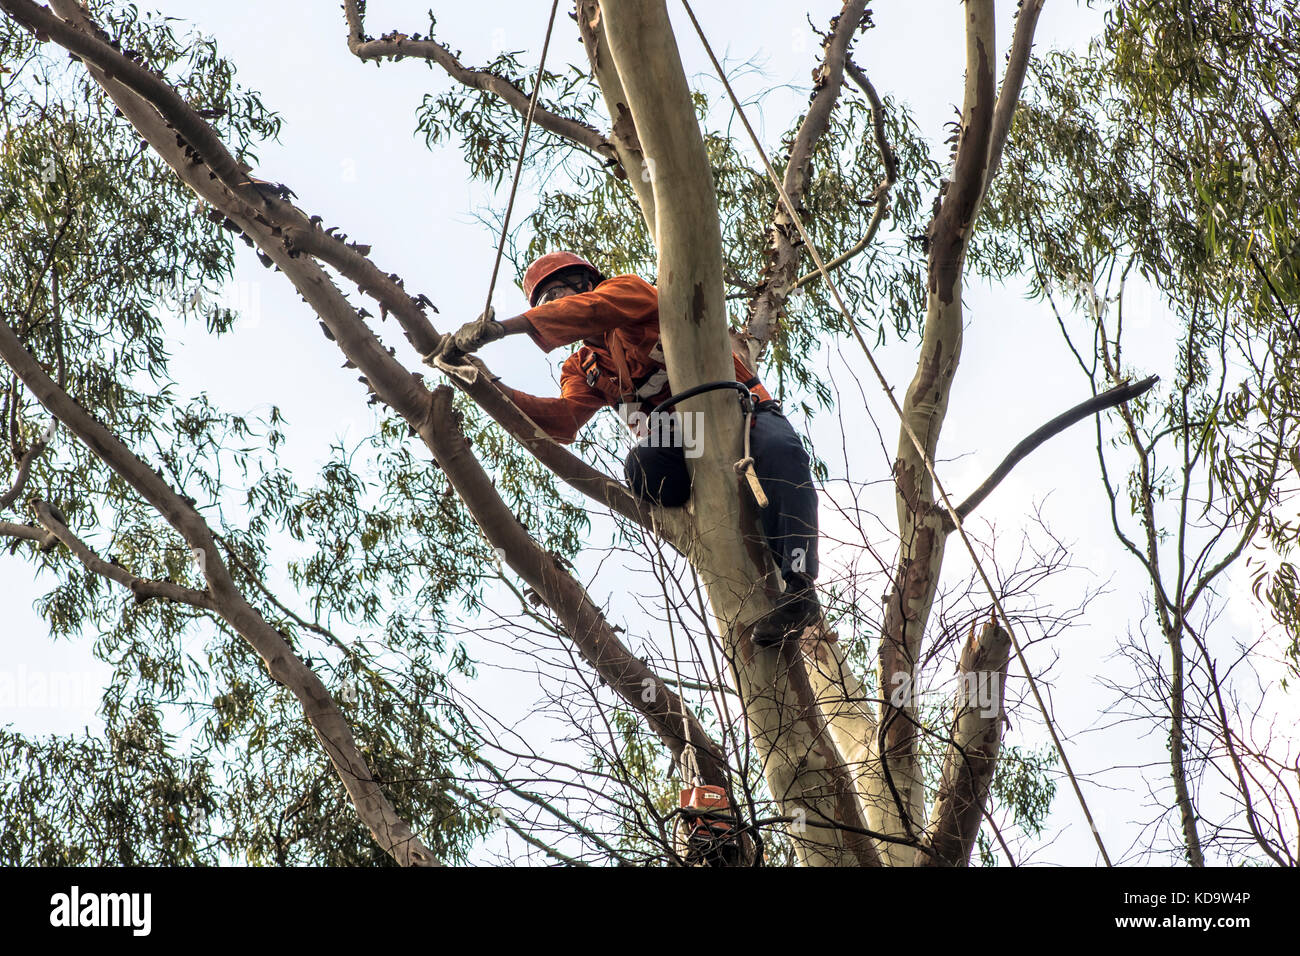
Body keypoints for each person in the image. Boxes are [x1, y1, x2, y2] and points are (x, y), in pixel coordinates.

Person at [436, 251, 820, 647]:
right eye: (545, 302)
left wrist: (503, 328)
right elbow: (562, 421)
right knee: (642, 465)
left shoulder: (627, 292)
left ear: (584, 284)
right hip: (681, 437)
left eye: (557, 294)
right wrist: (485, 383)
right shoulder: (583, 367)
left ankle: (799, 584)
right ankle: (714, 518)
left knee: (781, 450)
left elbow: (593, 310)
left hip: (744, 413)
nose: (554, 307)